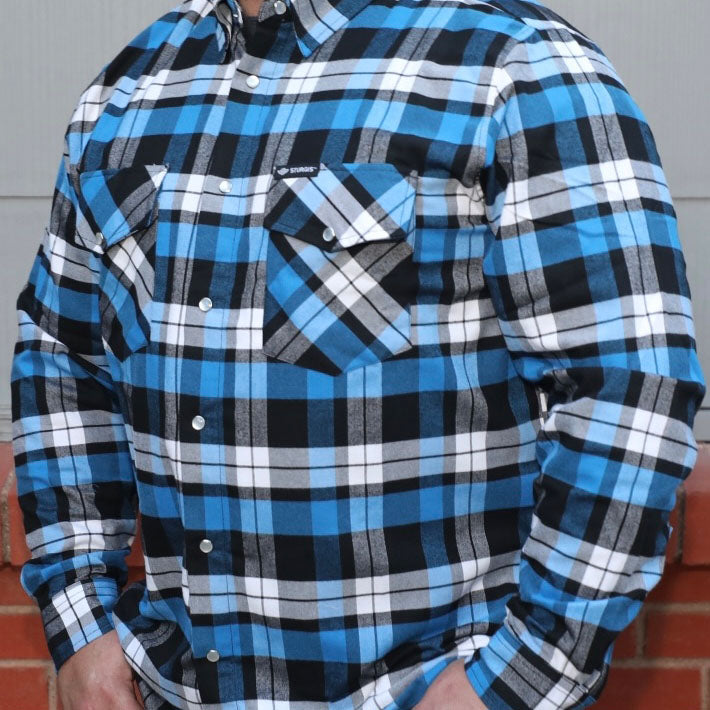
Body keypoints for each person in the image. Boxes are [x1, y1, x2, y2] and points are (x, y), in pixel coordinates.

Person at [10, 0, 706, 708]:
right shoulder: (130, 91)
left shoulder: (516, 67)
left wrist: (520, 679)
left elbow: (630, 392)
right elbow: (63, 362)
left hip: (427, 692)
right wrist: (80, 621)